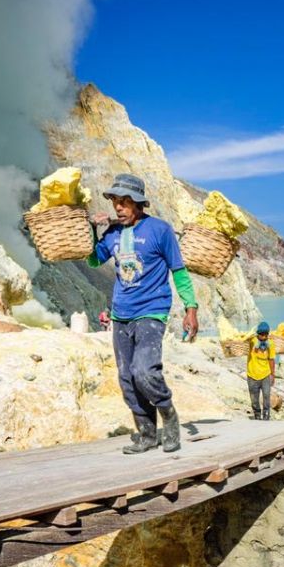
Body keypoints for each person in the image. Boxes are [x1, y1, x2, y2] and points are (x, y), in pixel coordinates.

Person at [88, 173, 199, 454]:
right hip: (121, 313)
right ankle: (148, 433)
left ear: (138, 203)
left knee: (144, 371)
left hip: (152, 310)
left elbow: (179, 271)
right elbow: (92, 259)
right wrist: (91, 231)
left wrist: (191, 308)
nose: (119, 208)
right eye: (116, 202)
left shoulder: (160, 230)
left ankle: (169, 416)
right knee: (126, 378)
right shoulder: (112, 233)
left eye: (125, 202)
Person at [246, 321, 276, 420]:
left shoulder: (270, 344)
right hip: (252, 374)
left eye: (265, 334)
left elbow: (271, 359)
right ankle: (257, 415)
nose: (263, 336)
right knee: (254, 398)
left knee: (266, 396)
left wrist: (273, 374)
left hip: (265, 375)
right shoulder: (252, 341)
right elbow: (243, 341)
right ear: (258, 333)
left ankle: (266, 415)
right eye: (261, 334)